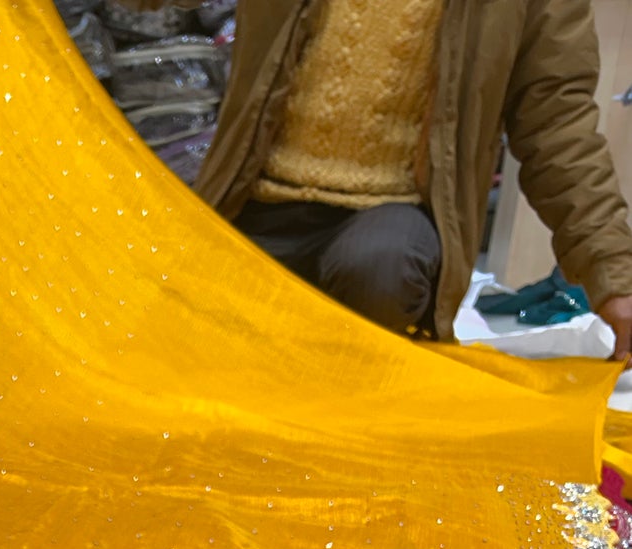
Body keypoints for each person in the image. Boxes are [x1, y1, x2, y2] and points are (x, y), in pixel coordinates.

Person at [194, 0, 632, 355]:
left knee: (381, 266)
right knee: (197, 330)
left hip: (393, 217)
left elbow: (556, 127)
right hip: (252, 198)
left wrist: (615, 277)